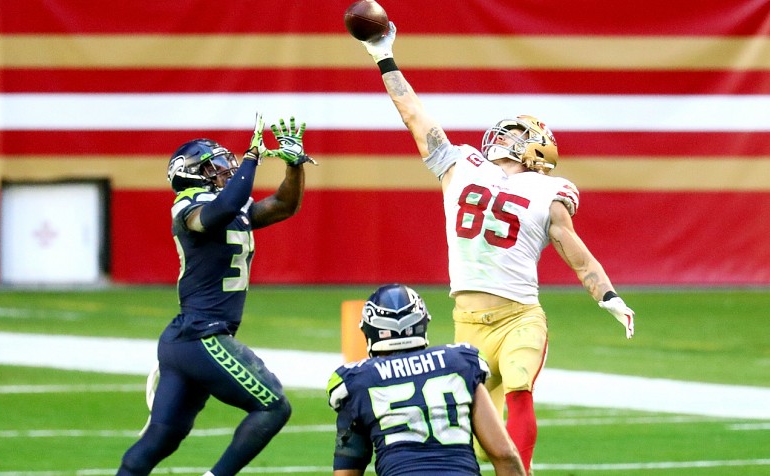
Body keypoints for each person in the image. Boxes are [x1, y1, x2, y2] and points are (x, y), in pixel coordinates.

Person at [353, 23, 636, 475]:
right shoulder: (461, 163)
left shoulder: (548, 190)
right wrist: (382, 54)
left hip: (521, 315)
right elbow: (411, 111)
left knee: (521, 388)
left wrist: (608, 295)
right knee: (482, 442)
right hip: (468, 322)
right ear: (530, 144)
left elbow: (571, 246)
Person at [117, 114, 316, 476]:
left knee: (161, 440)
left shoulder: (230, 205)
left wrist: (294, 166)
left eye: (228, 161)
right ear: (191, 174)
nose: (227, 168)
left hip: (188, 338)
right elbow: (221, 210)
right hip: (202, 334)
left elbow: (284, 205)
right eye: (216, 164)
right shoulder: (188, 204)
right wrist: (253, 158)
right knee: (273, 406)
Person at [327, 283, 526, 476]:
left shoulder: (357, 381)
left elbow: (348, 470)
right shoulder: (460, 363)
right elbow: (505, 454)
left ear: (370, 331)